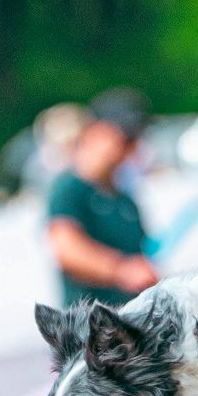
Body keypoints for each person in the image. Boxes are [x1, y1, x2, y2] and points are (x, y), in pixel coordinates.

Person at [45, 88, 158, 308]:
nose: (130, 148)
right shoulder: (69, 187)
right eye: (125, 137)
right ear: (95, 130)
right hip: (90, 326)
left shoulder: (126, 200)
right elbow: (65, 248)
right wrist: (121, 269)